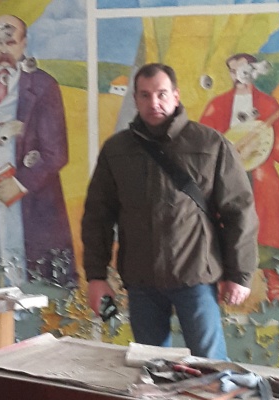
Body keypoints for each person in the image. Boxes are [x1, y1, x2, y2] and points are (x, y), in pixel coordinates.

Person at [82, 63, 259, 360]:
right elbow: (97, 216)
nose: (154, 102)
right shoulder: (117, 150)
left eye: (161, 94)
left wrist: (240, 273)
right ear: (136, 99)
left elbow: (239, 211)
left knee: (210, 366)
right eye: (145, 95)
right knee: (151, 367)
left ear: (176, 96)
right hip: (141, 280)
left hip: (196, 275)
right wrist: (96, 276)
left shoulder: (210, 143)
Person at [0, 14, 77, 289]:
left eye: (11, 42)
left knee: (26, 274)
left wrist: (19, 184)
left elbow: (56, 153)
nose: (4, 50)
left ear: (24, 43)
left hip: (30, 198)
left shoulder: (44, 86)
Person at [200, 53, 279, 306]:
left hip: (261, 178)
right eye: (233, 71)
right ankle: (218, 285)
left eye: (242, 70)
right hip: (226, 177)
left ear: (253, 71)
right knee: (221, 226)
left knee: (270, 224)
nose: (237, 76)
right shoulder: (218, 105)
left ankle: (274, 286)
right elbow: (204, 144)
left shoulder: (268, 104)